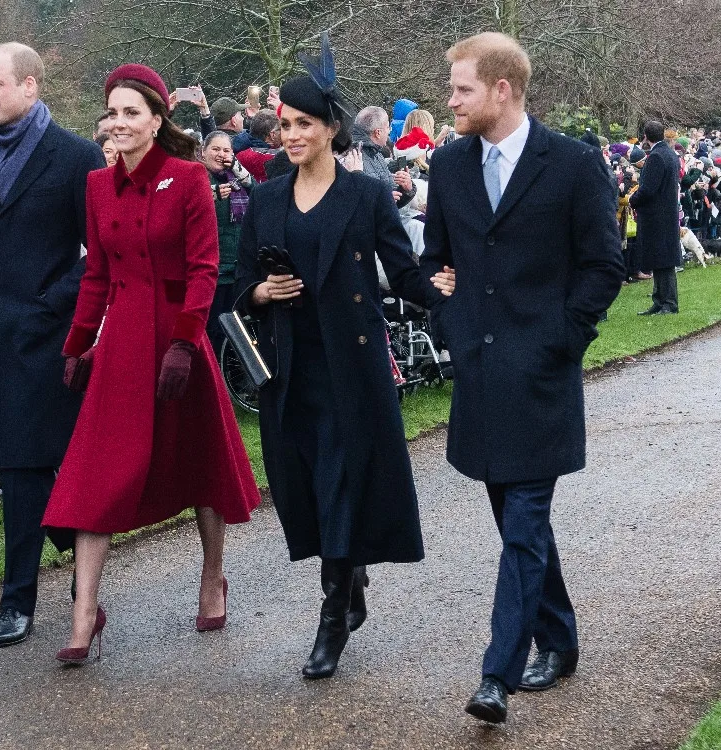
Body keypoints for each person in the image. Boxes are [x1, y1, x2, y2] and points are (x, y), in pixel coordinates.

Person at [418, 32, 624, 724]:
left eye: (462, 89)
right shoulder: (447, 167)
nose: (450, 101)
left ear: (501, 89)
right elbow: (432, 262)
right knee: (519, 525)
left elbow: (604, 264)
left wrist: (561, 340)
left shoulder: (571, 164)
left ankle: (496, 674)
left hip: (541, 379)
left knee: (525, 522)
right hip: (479, 376)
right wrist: (447, 315)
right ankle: (560, 640)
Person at [234, 37, 454, 680]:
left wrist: (441, 287)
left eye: (303, 124)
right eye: (284, 124)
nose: (291, 134)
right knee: (303, 485)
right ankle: (349, 572)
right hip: (287, 367)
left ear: (331, 129)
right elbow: (237, 279)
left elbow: (401, 271)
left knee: (337, 480)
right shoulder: (267, 198)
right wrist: (259, 290)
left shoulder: (364, 196)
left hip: (350, 370)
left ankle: (331, 620)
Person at [41, 63, 260, 665]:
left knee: (200, 460)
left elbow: (204, 269)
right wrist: (76, 344)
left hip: (178, 338)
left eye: (132, 112)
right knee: (95, 471)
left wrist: (187, 344)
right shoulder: (95, 185)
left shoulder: (188, 178)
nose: (119, 122)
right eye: (112, 112)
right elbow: (97, 275)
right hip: (122, 344)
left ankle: (213, 574)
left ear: (158, 119)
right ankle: (85, 612)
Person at [0, 42, 105, 649]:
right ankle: (82, 582)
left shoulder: (75, 155)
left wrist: (49, 302)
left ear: (31, 86)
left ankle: (19, 603)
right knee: (20, 465)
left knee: (25, 466)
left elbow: (98, 251)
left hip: (48, 338)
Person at [201, 130, 252, 356]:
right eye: (216, 149)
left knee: (236, 328)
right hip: (212, 269)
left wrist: (236, 167)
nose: (221, 154)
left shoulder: (237, 179)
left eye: (227, 150)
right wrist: (209, 195)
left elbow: (258, 192)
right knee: (212, 329)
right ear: (203, 152)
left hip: (237, 267)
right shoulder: (198, 179)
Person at [630, 120, 682, 315]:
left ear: (646, 136)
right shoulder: (668, 154)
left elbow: (648, 189)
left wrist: (632, 200)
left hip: (657, 216)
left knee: (663, 260)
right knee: (660, 259)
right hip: (664, 214)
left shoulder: (657, 157)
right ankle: (660, 301)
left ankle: (668, 302)